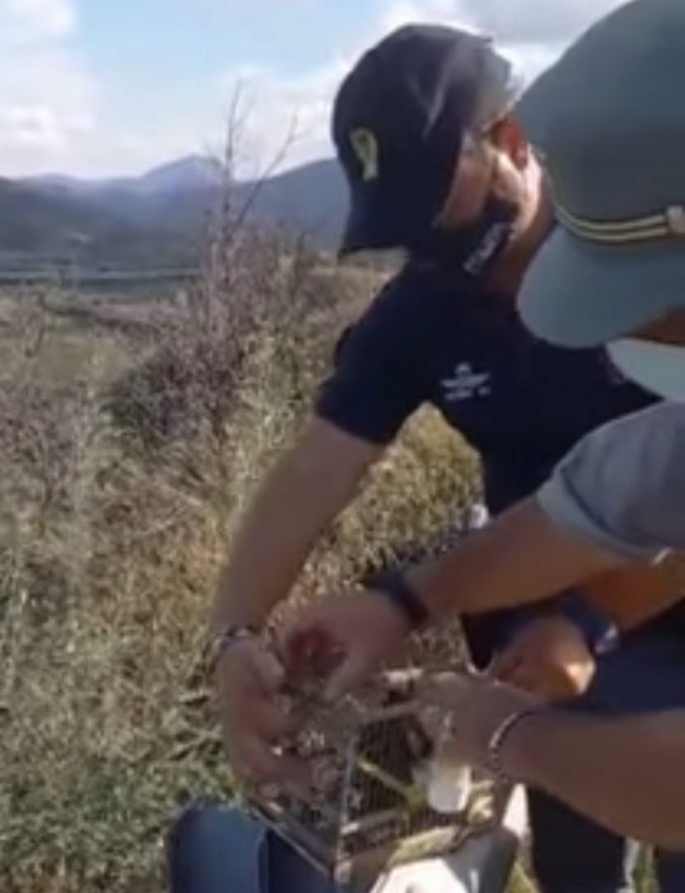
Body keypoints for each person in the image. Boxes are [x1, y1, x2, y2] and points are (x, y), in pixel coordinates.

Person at [208, 21, 685, 893]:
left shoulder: (636, 257)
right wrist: (250, 631)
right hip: (544, 646)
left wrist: (553, 673)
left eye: (442, 206)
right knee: (580, 860)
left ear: (510, 141)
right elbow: (603, 498)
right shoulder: (428, 309)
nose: (430, 247)